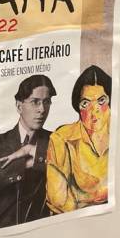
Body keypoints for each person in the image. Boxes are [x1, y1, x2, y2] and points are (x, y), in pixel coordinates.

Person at [0, 75, 56, 231]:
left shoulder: (56, 141)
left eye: (46, 102)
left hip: (37, 232)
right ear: (19, 106)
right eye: (35, 102)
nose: (42, 109)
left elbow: (69, 168)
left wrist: (34, 154)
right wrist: (24, 163)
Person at [46, 65, 111, 214]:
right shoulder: (61, 139)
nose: (94, 111)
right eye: (85, 103)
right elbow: (59, 200)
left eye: (101, 101)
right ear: (78, 107)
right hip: (77, 217)